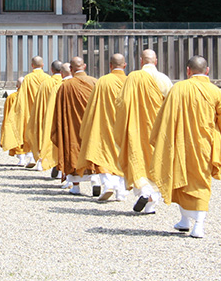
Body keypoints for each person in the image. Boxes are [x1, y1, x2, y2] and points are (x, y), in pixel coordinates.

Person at [148, 55, 221, 238]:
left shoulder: (178, 88)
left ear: (188, 71)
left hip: (179, 144)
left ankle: (194, 223)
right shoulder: (215, 91)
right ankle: (191, 223)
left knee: (180, 179)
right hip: (204, 145)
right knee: (201, 181)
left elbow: (164, 117)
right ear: (207, 70)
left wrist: (159, 139)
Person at [114, 49, 173, 213]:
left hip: (137, 128)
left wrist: (123, 122)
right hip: (158, 130)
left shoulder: (133, 77)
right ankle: (151, 202)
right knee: (156, 161)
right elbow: (170, 105)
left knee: (137, 159)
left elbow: (122, 102)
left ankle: (146, 192)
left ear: (141, 61)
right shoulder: (164, 79)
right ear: (156, 61)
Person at [75, 53, 128, 201]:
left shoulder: (103, 81)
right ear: (125, 65)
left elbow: (92, 106)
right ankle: (121, 192)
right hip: (125, 127)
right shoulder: (131, 81)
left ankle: (108, 183)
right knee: (123, 157)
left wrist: (88, 124)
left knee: (103, 154)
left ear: (110, 65)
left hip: (106, 125)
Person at [51, 56, 97, 195]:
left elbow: (59, 111)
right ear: (84, 66)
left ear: (71, 69)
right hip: (92, 125)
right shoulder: (95, 82)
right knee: (93, 147)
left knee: (73, 149)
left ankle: (76, 186)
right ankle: (95, 178)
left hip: (72, 126)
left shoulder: (65, 86)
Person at [25, 60, 65, 172]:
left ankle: (41, 160)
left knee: (44, 136)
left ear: (51, 69)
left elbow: (39, 101)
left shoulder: (46, 82)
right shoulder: (65, 81)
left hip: (47, 114)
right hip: (63, 114)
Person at [12, 56, 50, 167]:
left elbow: (21, 96)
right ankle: (41, 160)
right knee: (43, 134)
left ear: (32, 65)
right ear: (43, 65)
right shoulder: (48, 78)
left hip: (30, 111)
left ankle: (33, 157)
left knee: (33, 135)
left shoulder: (28, 78)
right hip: (44, 110)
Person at [0, 77, 24, 160]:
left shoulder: (11, 97)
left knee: (16, 137)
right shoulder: (30, 96)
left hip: (15, 122)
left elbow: (7, 113)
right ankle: (30, 157)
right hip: (26, 122)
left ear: (17, 85)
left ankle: (21, 158)